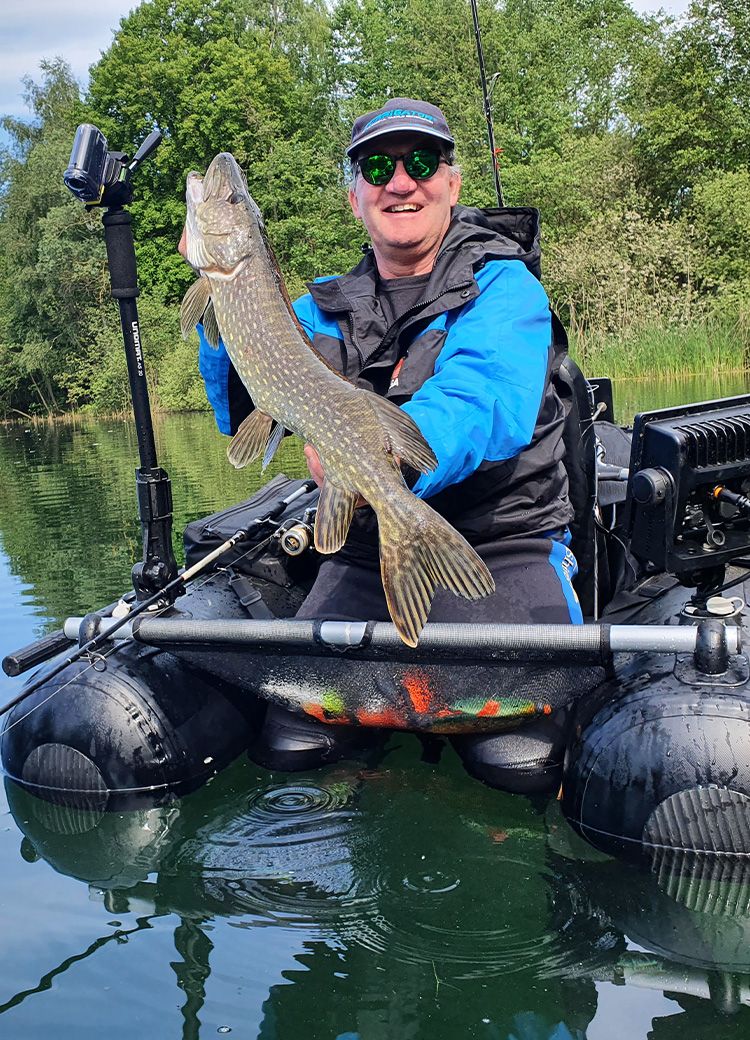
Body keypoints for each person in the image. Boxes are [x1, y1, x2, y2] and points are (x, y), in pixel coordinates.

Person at [188, 98, 583, 793]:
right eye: (378, 166)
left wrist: (388, 454)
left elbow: (481, 398)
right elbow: (242, 413)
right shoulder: (314, 308)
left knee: (513, 759)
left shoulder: (505, 287)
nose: (401, 182)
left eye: (421, 162)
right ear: (355, 197)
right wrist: (215, 308)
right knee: (293, 743)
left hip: (503, 542)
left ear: (452, 184)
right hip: (363, 551)